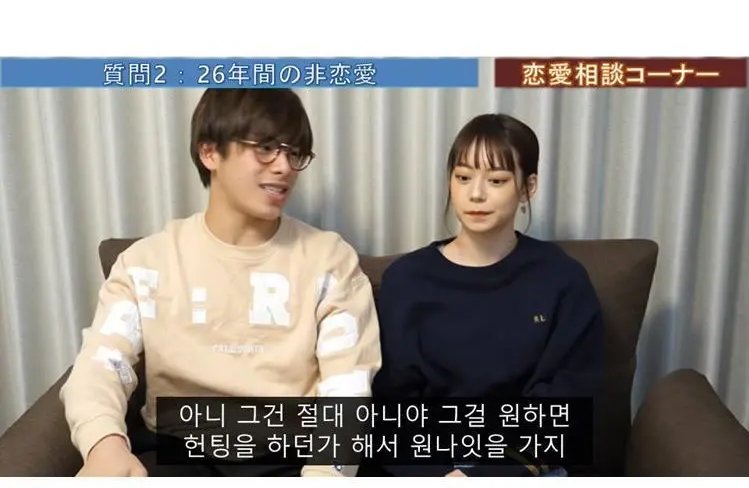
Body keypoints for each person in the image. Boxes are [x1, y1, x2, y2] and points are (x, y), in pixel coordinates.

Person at [60, 88, 382, 477]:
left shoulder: (330, 260)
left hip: (290, 455)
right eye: (266, 148)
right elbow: (101, 365)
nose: (285, 167)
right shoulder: (147, 263)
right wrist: (104, 443)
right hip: (177, 451)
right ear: (209, 152)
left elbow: (348, 391)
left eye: (295, 152)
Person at [369, 112, 604, 477]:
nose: (475, 194)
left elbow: (570, 400)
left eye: (496, 180)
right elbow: (391, 405)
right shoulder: (407, 280)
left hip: (523, 466)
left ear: (528, 187)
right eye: (463, 177)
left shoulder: (562, 279)